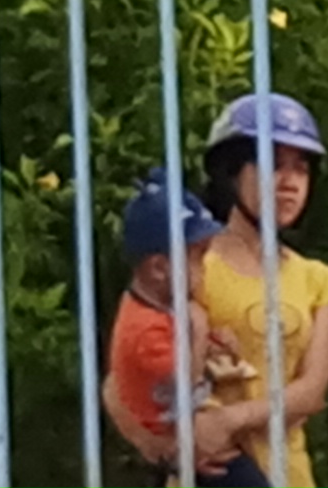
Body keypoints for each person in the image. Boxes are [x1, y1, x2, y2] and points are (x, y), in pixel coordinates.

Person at [193, 91, 328, 488]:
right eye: (273, 165)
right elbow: (133, 377)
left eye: (301, 170)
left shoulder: (317, 280)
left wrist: (229, 420)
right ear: (231, 173)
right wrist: (169, 443)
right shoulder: (191, 268)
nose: (289, 183)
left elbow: (311, 391)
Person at [105, 177, 275, 486]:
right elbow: (185, 382)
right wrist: (199, 330)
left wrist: (214, 343)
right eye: (197, 256)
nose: (205, 266)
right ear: (159, 268)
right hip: (178, 443)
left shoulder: (159, 305)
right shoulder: (142, 330)